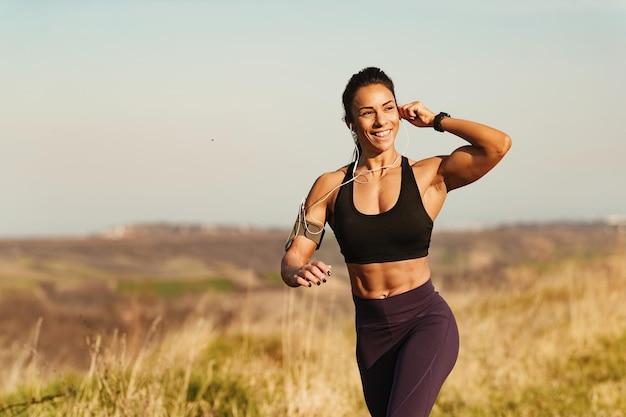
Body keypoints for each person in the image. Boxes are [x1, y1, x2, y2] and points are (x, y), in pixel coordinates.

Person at [280, 67, 511, 417]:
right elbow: (294, 254)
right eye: (367, 112)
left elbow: (498, 145)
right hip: (371, 332)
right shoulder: (328, 186)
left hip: (425, 321)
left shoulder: (428, 175)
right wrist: (296, 271)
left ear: (399, 111)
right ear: (350, 123)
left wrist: (437, 120)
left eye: (388, 108)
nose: (380, 120)